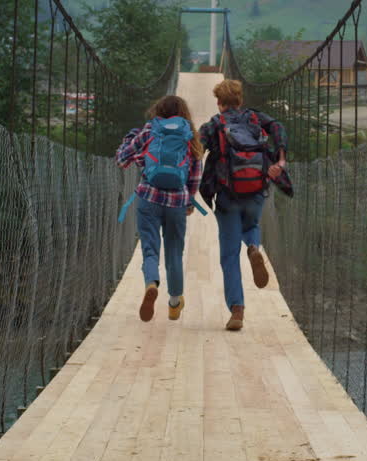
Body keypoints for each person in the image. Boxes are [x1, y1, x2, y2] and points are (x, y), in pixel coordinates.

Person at [198, 78, 289, 331]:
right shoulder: (255, 118)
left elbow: (195, 148)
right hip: (256, 188)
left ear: (219, 102)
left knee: (229, 256)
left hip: (228, 193)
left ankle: (237, 310)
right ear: (240, 100)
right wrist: (280, 157)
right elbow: (278, 127)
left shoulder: (215, 123)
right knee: (251, 226)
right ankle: (252, 247)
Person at [115, 95, 205, 322]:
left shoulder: (149, 130)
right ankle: (174, 303)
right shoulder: (189, 134)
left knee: (150, 249)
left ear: (159, 111)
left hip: (149, 197)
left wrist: (129, 141)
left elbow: (122, 159)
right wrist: (189, 201)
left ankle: (151, 284)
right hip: (177, 202)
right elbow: (195, 173)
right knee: (174, 253)